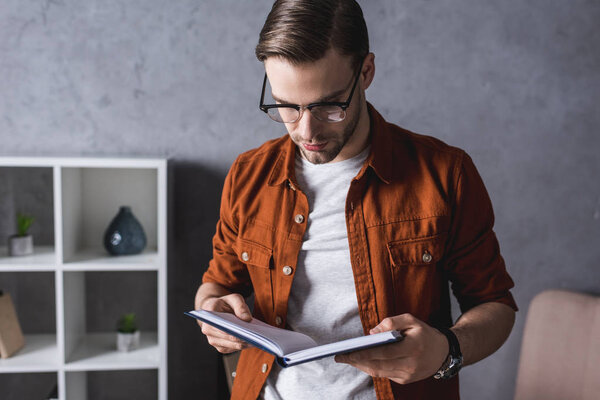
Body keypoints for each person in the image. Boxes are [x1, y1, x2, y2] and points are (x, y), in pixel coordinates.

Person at [194, 1, 517, 399]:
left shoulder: (446, 174)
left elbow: (495, 306)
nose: (306, 130)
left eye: (328, 105)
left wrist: (446, 350)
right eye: (287, 106)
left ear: (365, 72)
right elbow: (216, 285)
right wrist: (214, 315)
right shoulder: (248, 175)